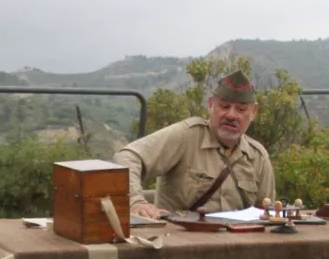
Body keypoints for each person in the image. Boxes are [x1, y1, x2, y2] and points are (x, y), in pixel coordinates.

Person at [116, 71, 276, 216]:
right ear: (211, 105)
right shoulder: (186, 136)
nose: (231, 115)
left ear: (253, 112)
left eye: (241, 110)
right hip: (180, 242)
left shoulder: (258, 157)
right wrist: (136, 202)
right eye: (224, 106)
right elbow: (127, 157)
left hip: (237, 244)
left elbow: (265, 214)